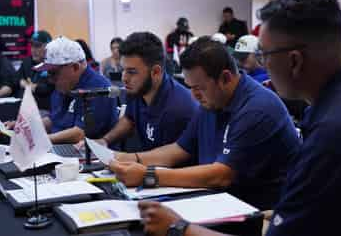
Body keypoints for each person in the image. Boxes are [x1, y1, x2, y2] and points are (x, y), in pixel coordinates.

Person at [138, 0, 341, 236]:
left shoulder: (337, 134)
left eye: (264, 54)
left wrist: (177, 227)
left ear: (294, 61)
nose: (260, 64)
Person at [109, 36, 299, 211]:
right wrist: (128, 158)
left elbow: (222, 176)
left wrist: (146, 175)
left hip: (258, 212)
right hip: (219, 202)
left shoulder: (257, 109)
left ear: (225, 78)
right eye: (190, 87)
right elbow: (179, 149)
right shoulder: (211, 101)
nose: (193, 95)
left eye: (199, 88)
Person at [89, 32, 197, 152]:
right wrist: (105, 140)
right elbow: (129, 119)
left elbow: (169, 161)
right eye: (123, 70)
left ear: (155, 72)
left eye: (132, 72)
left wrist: (123, 160)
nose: (124, 78)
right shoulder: (138, 90)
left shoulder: (178, 109)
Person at [31, 36, 118, 144]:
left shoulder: (98, 88)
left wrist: (41, 140)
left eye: (53, 73)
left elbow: (80, 134)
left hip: (88, 155)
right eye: (48, 73)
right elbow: (54, 119)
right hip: (62, 150)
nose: (50, 79)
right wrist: (28, 128)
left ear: (75, 67)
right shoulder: (64, 85)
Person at [17, 30, 54, 112]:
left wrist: (32, 87)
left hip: (46, 110)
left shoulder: (53, 64)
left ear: (49, 47)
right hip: (25, 107)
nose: (33, 50)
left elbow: (48, 88)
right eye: (32, 46)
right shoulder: (27, 62)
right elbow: (17, 79)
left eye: (37, 46)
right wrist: (29, 86)